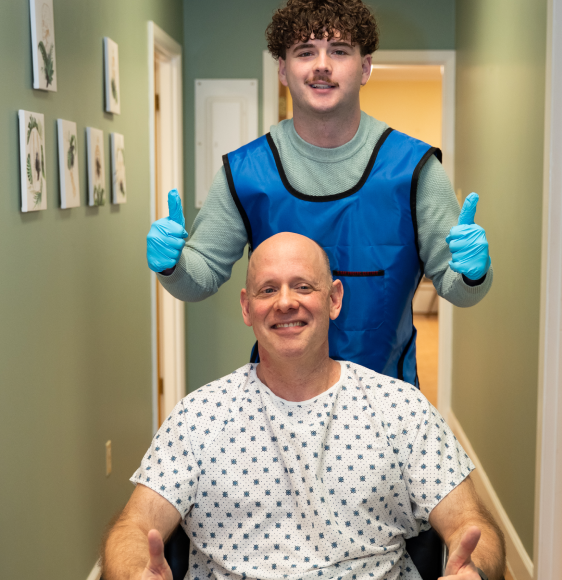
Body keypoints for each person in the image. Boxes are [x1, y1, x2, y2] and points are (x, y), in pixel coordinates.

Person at [104, 233, 505, 580]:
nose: (284, 303)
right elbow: (133, 527)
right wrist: (133, 571)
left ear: (334, 299)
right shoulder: (199, 416)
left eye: (302, 287)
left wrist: (473, 570)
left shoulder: (400, 410)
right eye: (267, 289)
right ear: (247, 308)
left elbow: (473, 524)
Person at [146, 0, 493, 386]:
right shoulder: (245, 175)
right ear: (282, 69)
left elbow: (458, 289)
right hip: (277, 403)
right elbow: (200, 278)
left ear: (365, 68)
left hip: (384, 404)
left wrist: (471, 274)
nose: (322, 65)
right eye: (305, 52)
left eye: (339, 51)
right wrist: (172, 265)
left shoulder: (414, 170)